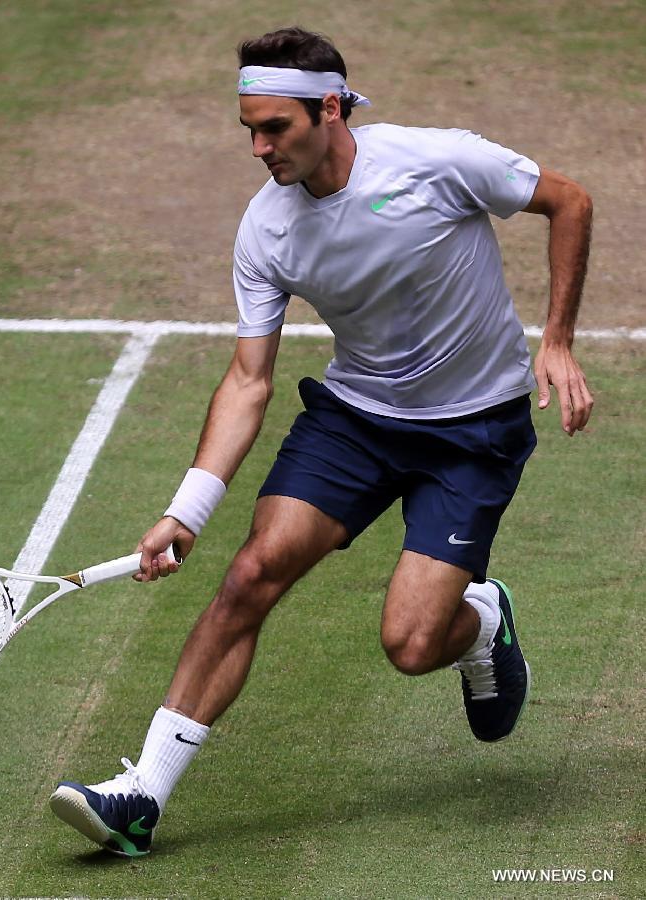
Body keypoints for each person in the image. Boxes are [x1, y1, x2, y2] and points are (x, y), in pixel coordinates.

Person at [49, 26, 594, 857]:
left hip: (473, 430)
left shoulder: (435, 160)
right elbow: (247, 381)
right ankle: (141, 798)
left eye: (276, 128)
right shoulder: (266, 229)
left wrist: (554, 338)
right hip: (356, 419)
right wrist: (186, 510)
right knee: (251, 574)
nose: (260, 148)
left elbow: (570, 201)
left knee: (412, 646)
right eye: (250, 131)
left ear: (331, 108)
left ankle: (481, 623)